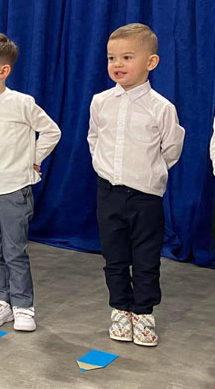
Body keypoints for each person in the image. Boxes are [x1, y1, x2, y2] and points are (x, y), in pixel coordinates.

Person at [88, 23, 185, 347]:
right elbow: (94, 138)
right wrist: (106, 168)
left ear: (151, 62)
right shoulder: (101, 101)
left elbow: (171, 148)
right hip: (108, 192)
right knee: (114, 257)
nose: (117, 64)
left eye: (127, 57)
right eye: (111, 58)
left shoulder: (161, 108)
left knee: (145, 258)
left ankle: (143, 312)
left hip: (145, 196)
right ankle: (120, 309)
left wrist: (147, 173)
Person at [0, 33, 61, 332]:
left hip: (12, 190)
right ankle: (0, 301)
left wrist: (33, 159)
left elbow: (51, 131)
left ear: (3, 71)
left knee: (14, 251)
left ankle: (23, 305)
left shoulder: (21, 103)